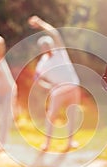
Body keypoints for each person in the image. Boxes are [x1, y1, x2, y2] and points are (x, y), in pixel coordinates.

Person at [28, 16, 81, 151]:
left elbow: (54, 33)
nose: (46, 48)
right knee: (52, 115)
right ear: (41, 48)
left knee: (72, 115)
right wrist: (50, 86)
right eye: (44, 46)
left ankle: (70, 142)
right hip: (58, 91)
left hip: (73, 86)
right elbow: (37, 79)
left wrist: (40, 23)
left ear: (51, 45)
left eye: (48, 45)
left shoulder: (60, 52)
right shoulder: (42, 63)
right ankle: (47, 143)